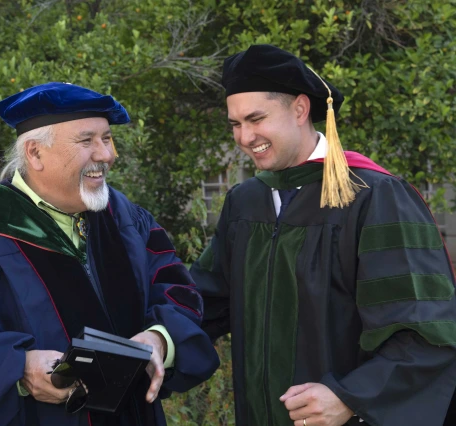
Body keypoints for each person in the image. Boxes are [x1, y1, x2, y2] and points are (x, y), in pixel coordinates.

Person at [0, 82, 219, 426]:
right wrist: (17, 368)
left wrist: (160, 338)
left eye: (107, 138)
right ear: (35, 153)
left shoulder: (127, 221)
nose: (107, 155)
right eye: (87, 140)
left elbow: (179, 293)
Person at [190, 45, 456, 426]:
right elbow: (204, 302)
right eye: (235, 124)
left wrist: (350, 398)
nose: (245, 137)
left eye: (256, 119)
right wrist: (154, 341)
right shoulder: (245, 204)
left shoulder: (372, 197)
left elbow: (425, 332)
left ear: (300, 109)